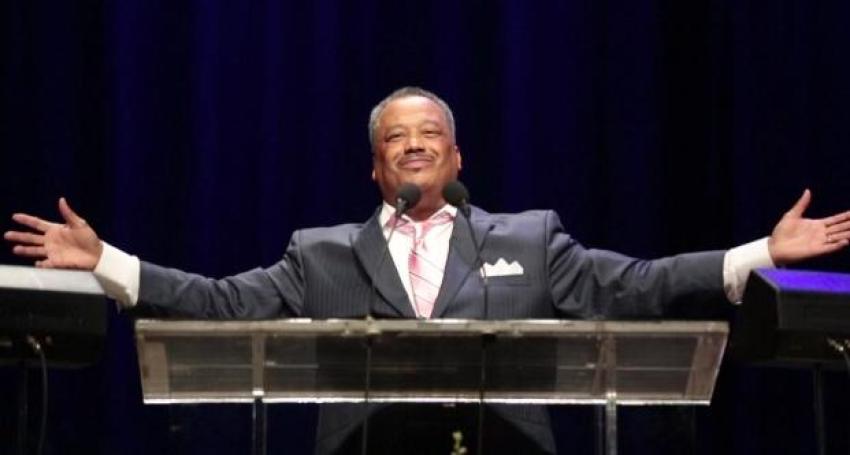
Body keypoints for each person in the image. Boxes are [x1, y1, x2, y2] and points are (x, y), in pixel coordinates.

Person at [5, 87, 850, 453]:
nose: (412, 144)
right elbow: (222, 304)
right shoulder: (321, 252)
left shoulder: (530, 234)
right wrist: (109, 263)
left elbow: (637, 284)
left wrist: (756, 255)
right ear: (375, 167)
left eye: (429, 135)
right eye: (394, 138)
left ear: (455, 156)